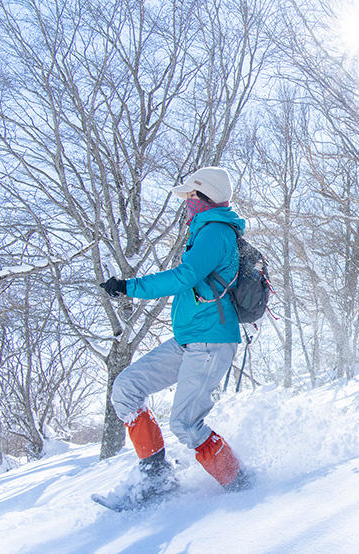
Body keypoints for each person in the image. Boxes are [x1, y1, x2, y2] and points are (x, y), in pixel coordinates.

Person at [99, 166, 251, 501]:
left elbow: (184, 277)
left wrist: (129, 287)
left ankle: (242, 488)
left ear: (204, 197)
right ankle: (157, 479)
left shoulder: (215, 232)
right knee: (126, 388)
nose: (186, 204)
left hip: (211, 342)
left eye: (190, 197)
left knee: (185, 424)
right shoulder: (204, 231)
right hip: (190, 340)